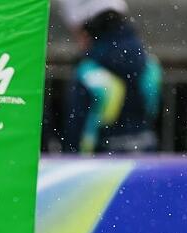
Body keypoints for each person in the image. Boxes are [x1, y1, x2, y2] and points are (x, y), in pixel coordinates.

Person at [56, 0, 161, 154]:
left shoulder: (88, 71)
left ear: (85, 28)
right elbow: (153, 112)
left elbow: (75, 134)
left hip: (98, 168)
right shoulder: (148, 63)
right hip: (145, 158)